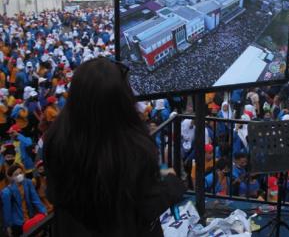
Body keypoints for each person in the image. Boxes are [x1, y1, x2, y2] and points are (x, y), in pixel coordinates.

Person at [43, 58, 185, 236]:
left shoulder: (56, 139)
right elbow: (144, 206)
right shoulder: (131, 148)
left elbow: (54, 194)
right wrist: (172, 183)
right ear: (120, 100)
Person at [1, 164, 47, 237]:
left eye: (20, 173)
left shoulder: (28, 183)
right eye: (16, 174)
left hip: (30, 216)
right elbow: (7, 210)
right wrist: (8, 226)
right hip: (17, 222)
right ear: (11, 177)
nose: (19, 175)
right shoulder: (7, 192)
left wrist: (43, 210)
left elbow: (35, 198)